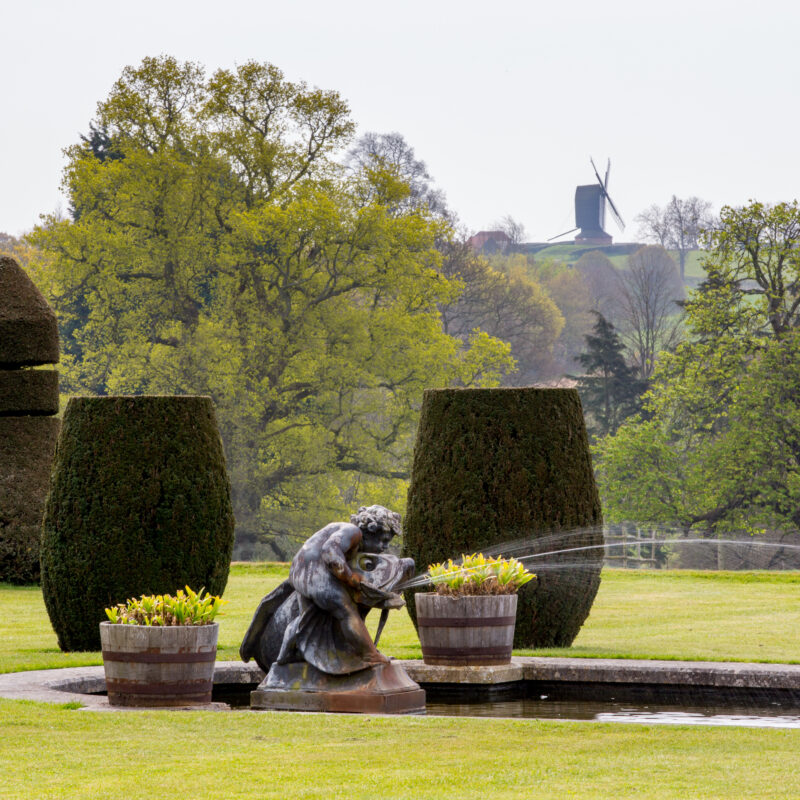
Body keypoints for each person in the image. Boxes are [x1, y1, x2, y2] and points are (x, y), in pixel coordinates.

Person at [241, 505, 410, 675]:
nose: (384, 546)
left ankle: (286, 656)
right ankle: (370, 655)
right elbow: (330, 552)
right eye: (383, 540)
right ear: (370, 531)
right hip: (313, 570)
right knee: (345, 609)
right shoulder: (353, 532)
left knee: (310, 615)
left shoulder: (352, 537)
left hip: (308, 568)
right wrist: (351, 578)